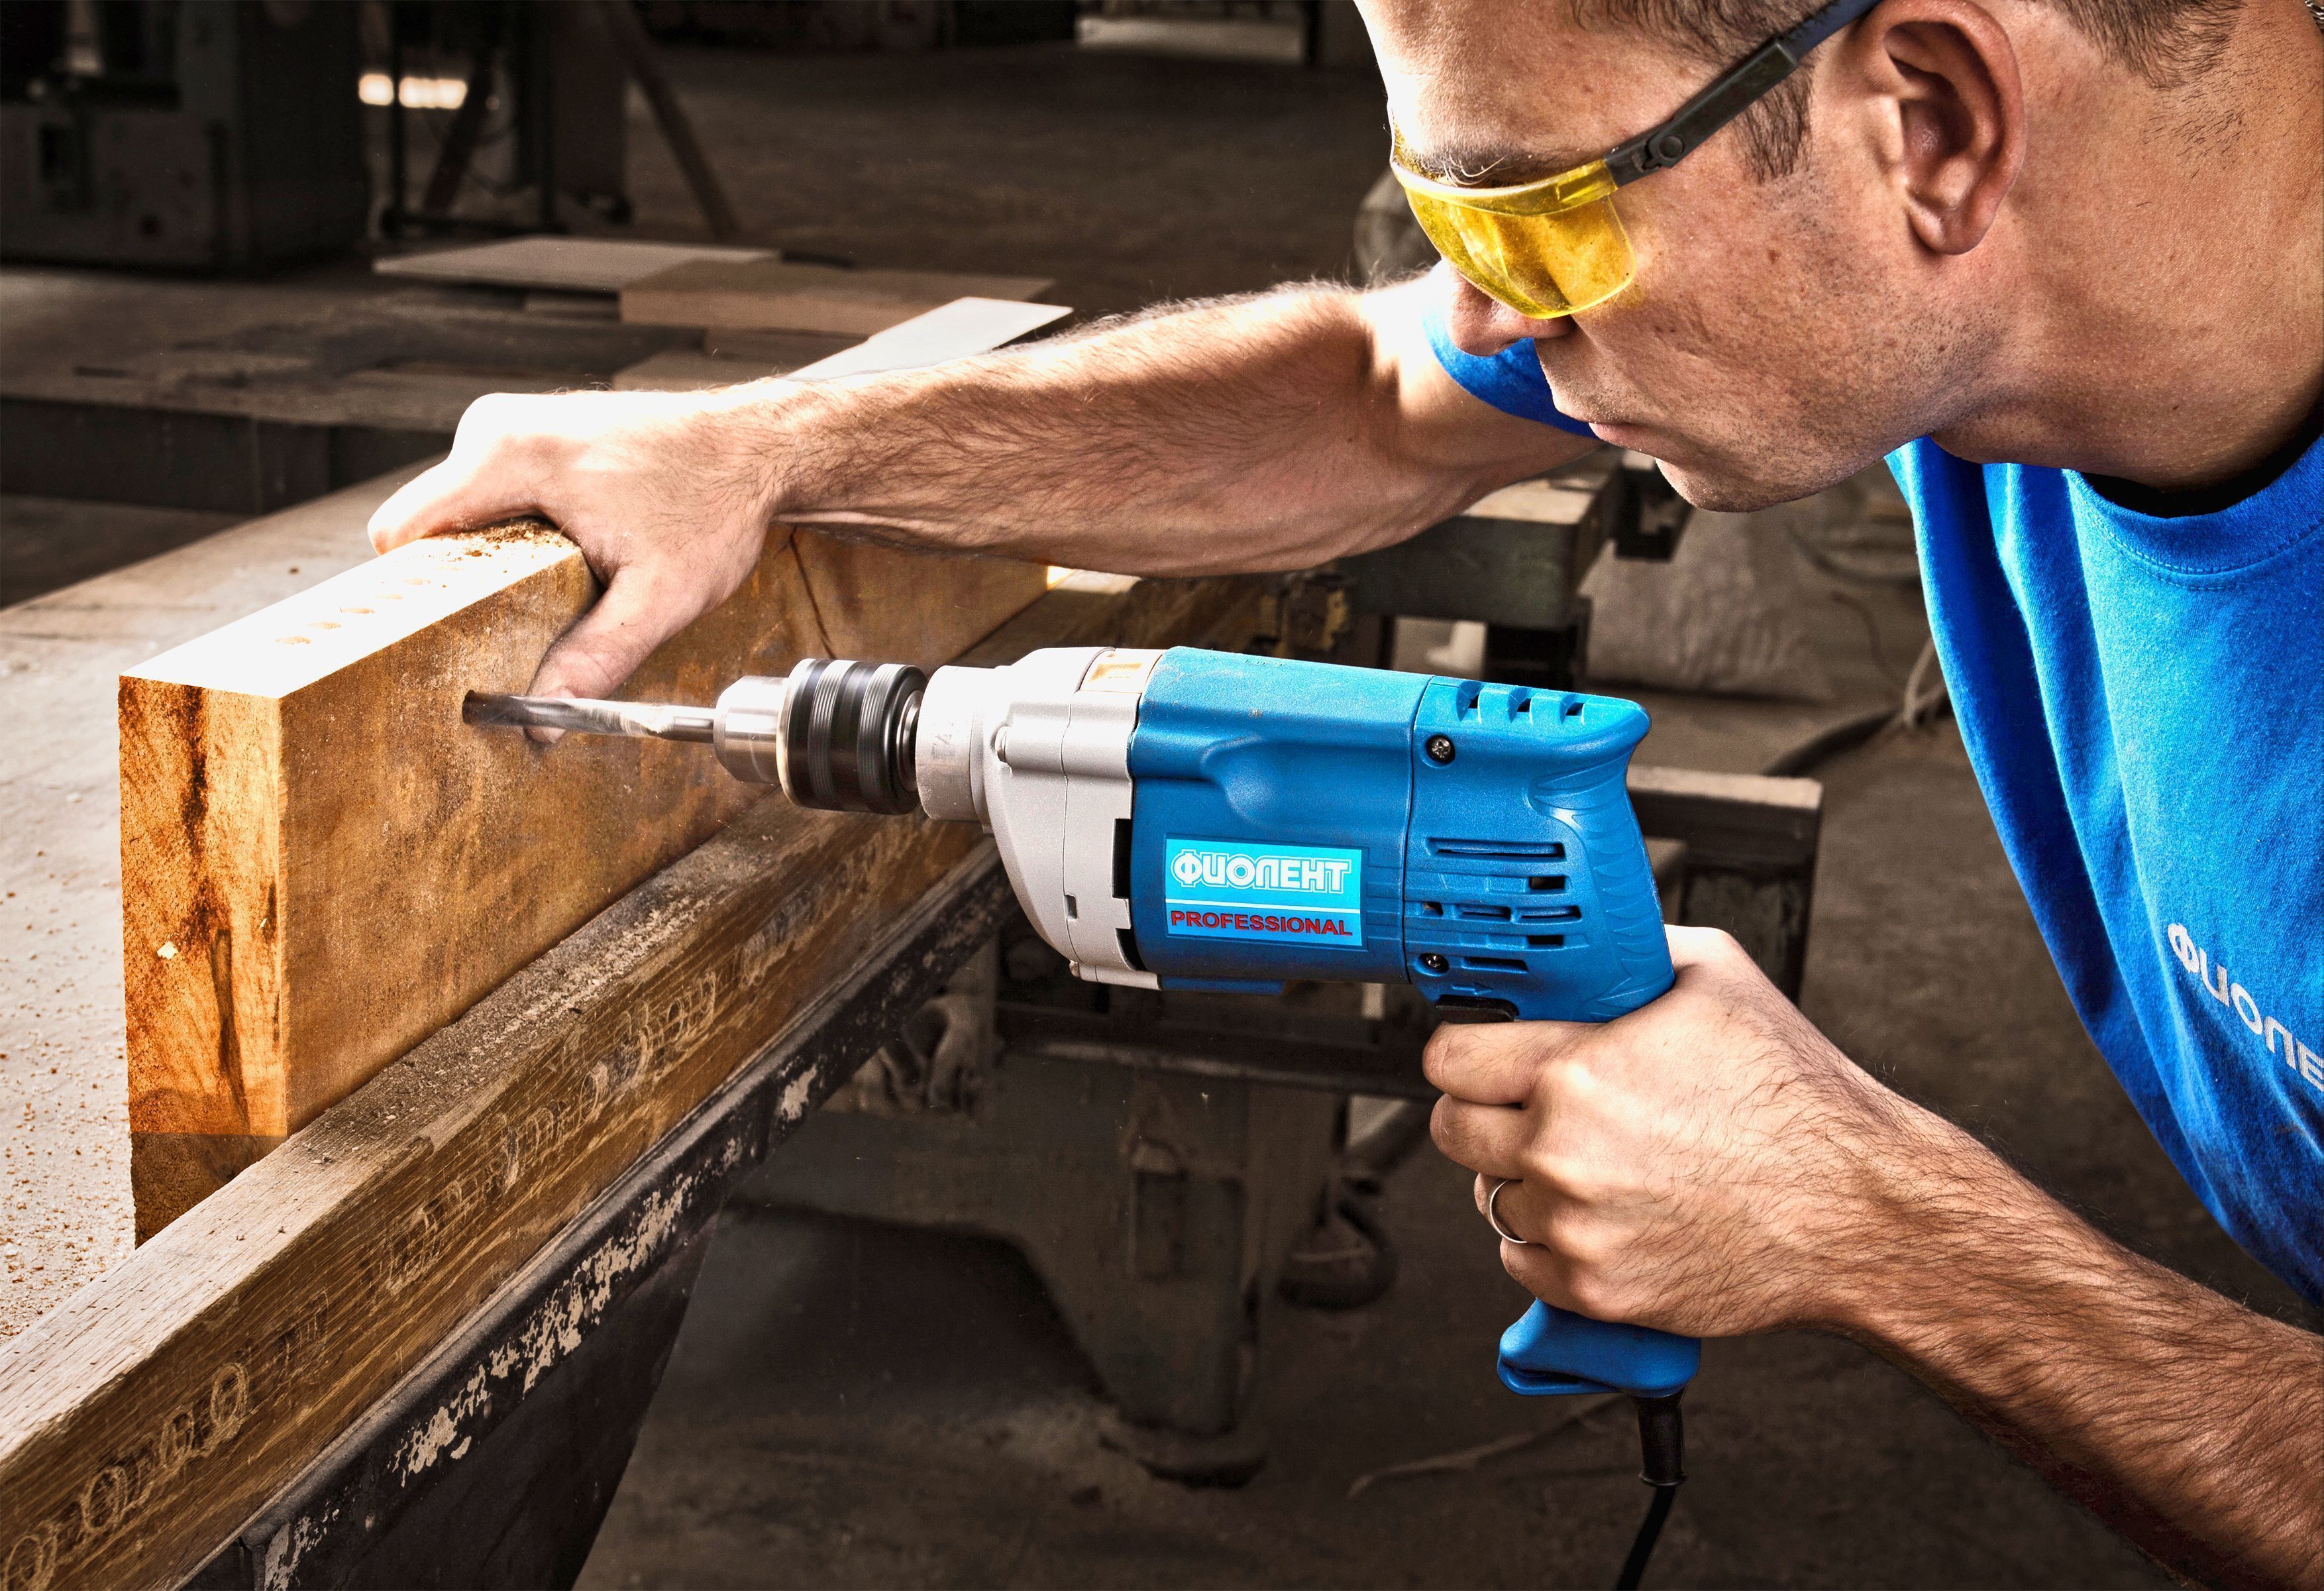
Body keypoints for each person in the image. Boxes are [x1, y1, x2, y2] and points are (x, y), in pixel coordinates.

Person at [370, 1, 2321, 1582]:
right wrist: (771, 446)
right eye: (1444, 222)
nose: (1479, 315)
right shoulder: (1973, 272)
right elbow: (1372, 399)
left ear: (1935, 121)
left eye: (1529, 222)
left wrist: (1878, 1220)